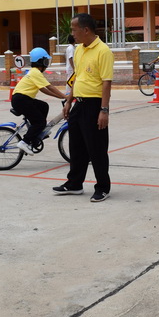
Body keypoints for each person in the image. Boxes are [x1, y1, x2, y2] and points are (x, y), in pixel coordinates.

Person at [52, 13, 113, 202]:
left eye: (73, 29)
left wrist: (104, 110)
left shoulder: (103, 51)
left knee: (96, 148)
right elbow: (77, 78)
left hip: (95, 105)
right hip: (78, 102)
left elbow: (106, 83)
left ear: (86, 30)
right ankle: (74, 184)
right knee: (76, 146)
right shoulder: (78, 50)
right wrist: (69, 101)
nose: (72, 33)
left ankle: (103, 187)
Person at [13, 47, 68, 156]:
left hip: (22, 99)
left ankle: (36, 134)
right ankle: (25, 142)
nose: (47, 63)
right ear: (41, 61)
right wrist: (64, 96)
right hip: (21, 100)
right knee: (40, 122)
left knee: (43, 106)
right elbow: (50, 87)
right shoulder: (36, 73)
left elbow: (43, 89)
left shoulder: (34, 72)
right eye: (46, 61)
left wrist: (59, 97)